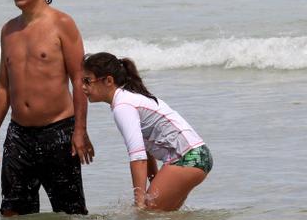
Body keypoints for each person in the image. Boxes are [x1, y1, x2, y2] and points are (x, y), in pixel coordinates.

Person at [0, 0, 94, 216]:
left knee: (70, 216)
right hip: (19, 135)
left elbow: (79, 80)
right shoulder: (8, 30)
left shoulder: (62, 24)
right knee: (12, 214)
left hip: (58, 132)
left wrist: (80, 130)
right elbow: (3, 87)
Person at [82, 52, 213, 211]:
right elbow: (146, 151)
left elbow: (138, 156)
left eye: (87, 81)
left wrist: (139, 201)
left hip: (187, 158)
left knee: (146, 214)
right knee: (166, 219)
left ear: (108, 81)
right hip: (199, 156)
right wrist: (154, 182)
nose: (83, 87)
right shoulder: (128, 98)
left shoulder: (123, 106)